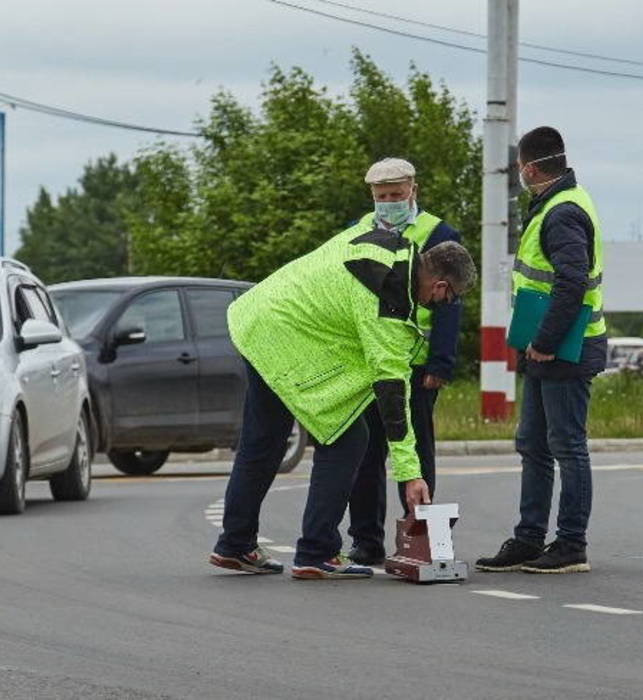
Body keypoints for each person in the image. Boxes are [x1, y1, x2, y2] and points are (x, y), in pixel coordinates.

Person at [208, 220, 477, 580]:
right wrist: (412, 474)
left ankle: (235, 544)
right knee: (349, 439)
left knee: (263, 441)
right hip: (283, 338)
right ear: (440, 284)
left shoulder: (387, 244)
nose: (442, 303)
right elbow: (393, 395)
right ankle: (316, 552)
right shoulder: (390, 305)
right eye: (449, 297)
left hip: (259, 318)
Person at [476, 126, 606, 575]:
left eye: (519, 168)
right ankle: (529, 539)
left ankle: (571, 544)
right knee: (533, 443)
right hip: (545, 349)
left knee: (567, 446)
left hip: (564, 349)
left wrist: (546, 343)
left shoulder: (562, 212)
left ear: (528, 167)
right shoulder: (557, 204)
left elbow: (572, 282)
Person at [346, 158, 464, 566]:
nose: (389, 203)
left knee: (416, 452)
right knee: (366, 452)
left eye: (397, 195)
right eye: (382, 197)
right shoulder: (358, 232)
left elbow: (450, 303)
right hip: (368, 363)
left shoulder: (437, 233)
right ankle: (365, 539)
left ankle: (419, 534)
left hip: (415, 365)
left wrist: (441, 363)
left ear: (413, 190)